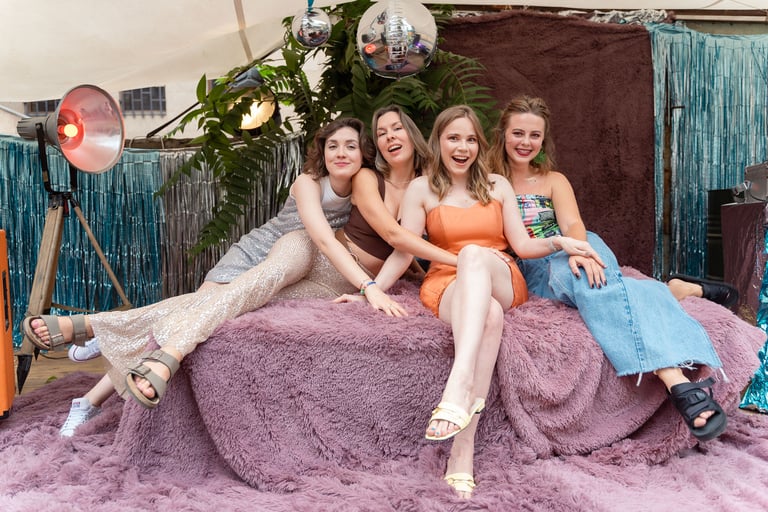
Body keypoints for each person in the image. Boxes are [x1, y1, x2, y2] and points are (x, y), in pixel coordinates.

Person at [25, 107, 452, 429]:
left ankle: (96, 330)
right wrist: (375, 285)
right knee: (232, 293)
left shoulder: (418, 186)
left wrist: (399, 277)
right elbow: (363, 236)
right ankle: (163, 356)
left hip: (330, 276)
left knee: (225, 304)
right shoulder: (352, 180)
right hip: (285, 249)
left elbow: (399, 246)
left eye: (355, 145)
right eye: (381, 132)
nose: (387, 138)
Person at [368, 105, 603, 498]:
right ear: (438, 142)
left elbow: (522, 246)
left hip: (499, 273)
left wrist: (560, 241)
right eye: (453, 139)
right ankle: (463, 451)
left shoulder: (497, 185)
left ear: (479, 144)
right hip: (447, 283)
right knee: (489, 317)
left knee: (475, 256)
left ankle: (458, 383)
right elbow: (404, 250)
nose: (462, 148)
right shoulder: (421, 189)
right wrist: (372, 287)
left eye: (470, 139)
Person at [487, 94, 728, 445]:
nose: (526, 142)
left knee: (588, 278)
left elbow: (572, 223)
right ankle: (672, 294)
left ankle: (675, 381)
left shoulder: (553, 179)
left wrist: (579, 251)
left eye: (534, 135)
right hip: (532, 263)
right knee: (605, 289)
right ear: (503, 134)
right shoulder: (488, 181)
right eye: (518, 133)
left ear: (544, 139)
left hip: (576, 245)